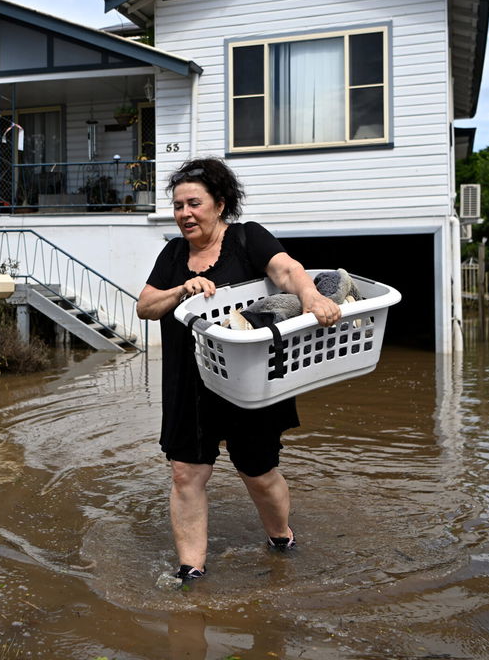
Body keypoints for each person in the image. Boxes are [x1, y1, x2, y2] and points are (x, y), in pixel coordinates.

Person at [136, 157, 341, 581]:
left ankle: (281, 536)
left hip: (250, 380)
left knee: (257, 470)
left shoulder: (248, 239)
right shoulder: (173, 254)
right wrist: (181, 290)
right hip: (188, 380)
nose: (184, 214)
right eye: (178, 206)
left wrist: (311, 297)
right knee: (185, 472)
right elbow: (145, 306)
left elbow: (287, 270)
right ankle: (191, 569)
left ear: (220, 204)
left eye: (194, 203)